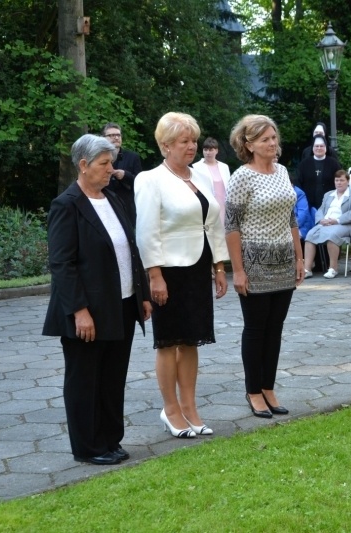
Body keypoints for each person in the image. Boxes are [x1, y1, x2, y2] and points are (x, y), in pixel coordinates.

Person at [43, 134, 152, 465]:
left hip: (122, 304)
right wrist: (79, 310)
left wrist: (142, 295)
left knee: (112, 377)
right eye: (104, 164)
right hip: (88, 310)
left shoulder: (113, 198)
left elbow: (131, 248)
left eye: (111, 163)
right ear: (83, 165)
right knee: (85, 380)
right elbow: (62, 264)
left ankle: (110, 439)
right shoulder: (67, 205)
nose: (110, 169)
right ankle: (89, 447)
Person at [135, 112, 229, 439]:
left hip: (199, 267)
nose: (192, 146)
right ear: (165, 145)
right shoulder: (150, 179)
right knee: (168, 341)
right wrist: (154, 275)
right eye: (184, 141)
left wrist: (219, 266)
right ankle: (170, 409)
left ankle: (190, 407)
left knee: (191, 339)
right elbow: (146, 232)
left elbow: (212, 223)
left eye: (194, 140)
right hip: (169, 271)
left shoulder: (200, 176)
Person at [225, 114, 305, 419]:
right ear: (249, 144)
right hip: (254, 265)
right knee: (256, 329)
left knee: (275, 329)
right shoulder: (242, 177)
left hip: (284, 261)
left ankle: (268, 387)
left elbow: (291, 218)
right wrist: (238, 270)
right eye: (265, 139)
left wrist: (299, 258)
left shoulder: (282, 171)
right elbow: (231, 226)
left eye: (274, 137)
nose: (272, 143)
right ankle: (253, 391)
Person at [302, 170, 351, 279]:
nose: (339, 183)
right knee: (310, 235)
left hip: (346, 224)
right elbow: (321, 210)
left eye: (342, 180)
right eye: (337, 180)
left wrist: (336, 220)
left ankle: (333, 269)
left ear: (348, 181)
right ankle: (307, 269)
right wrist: (321, 220)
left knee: (332, 236)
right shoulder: (328, 194)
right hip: (326, 223)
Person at [102, 122, 142, 226]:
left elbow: (141, 183)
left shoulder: (133, 157)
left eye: (118, 135)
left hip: (126, 208)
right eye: (111, 135)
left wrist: (125, 175)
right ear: (103, 138)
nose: (116, 138)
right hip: (105, 206)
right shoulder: (98, 158)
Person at [297, 134, 343, 212]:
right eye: (316, 146)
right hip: (308, 205)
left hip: (330, 204)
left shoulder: (334, 163)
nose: (319, 148)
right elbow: (298, 183)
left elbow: (340, 181)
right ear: (312, 148)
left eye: (321, 146)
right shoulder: (304, 164)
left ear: (326, 147)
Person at [192, 137, 231, 225]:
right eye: (205, 150)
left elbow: (229, 187)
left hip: (224, 205)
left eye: (211, 150)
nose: (208, 153)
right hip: (207, 205)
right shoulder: (196, 167)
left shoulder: (224, 167)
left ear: (216, 150)